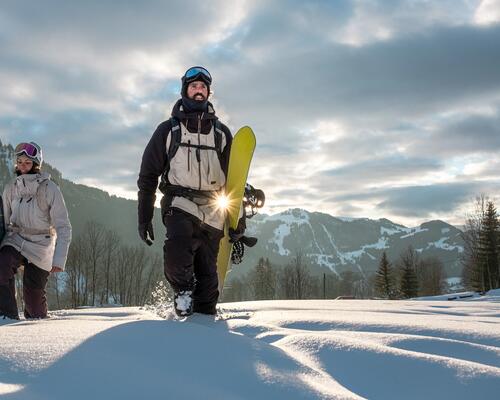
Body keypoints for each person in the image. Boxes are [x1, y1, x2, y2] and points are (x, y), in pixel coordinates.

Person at [137, 66, 234, 317]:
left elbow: (233, 181)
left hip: (213, 208)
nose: (199, 91)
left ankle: (203, 326)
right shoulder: (168, 130)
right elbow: (148, 176)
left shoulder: (222, 134)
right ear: (185, 90)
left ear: (209, 92)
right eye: (194, 86)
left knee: (208, 283)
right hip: (179, 202)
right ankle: (182, 292)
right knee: (178, 250)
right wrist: (144, 216)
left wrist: (238, 224)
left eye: (203, 87)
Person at [0, 142, 72, 320]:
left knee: (34, 304)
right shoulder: (11, 188)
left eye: (27, 162)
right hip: (15, 239)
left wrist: (59, 259)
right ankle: (6, 316)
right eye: (20, 162)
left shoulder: (49, 188)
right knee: (2, 266)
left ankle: (38, 320)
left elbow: (63, 227)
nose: (22, 166)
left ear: (36, 164)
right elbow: (4, 221)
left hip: (41, 245)